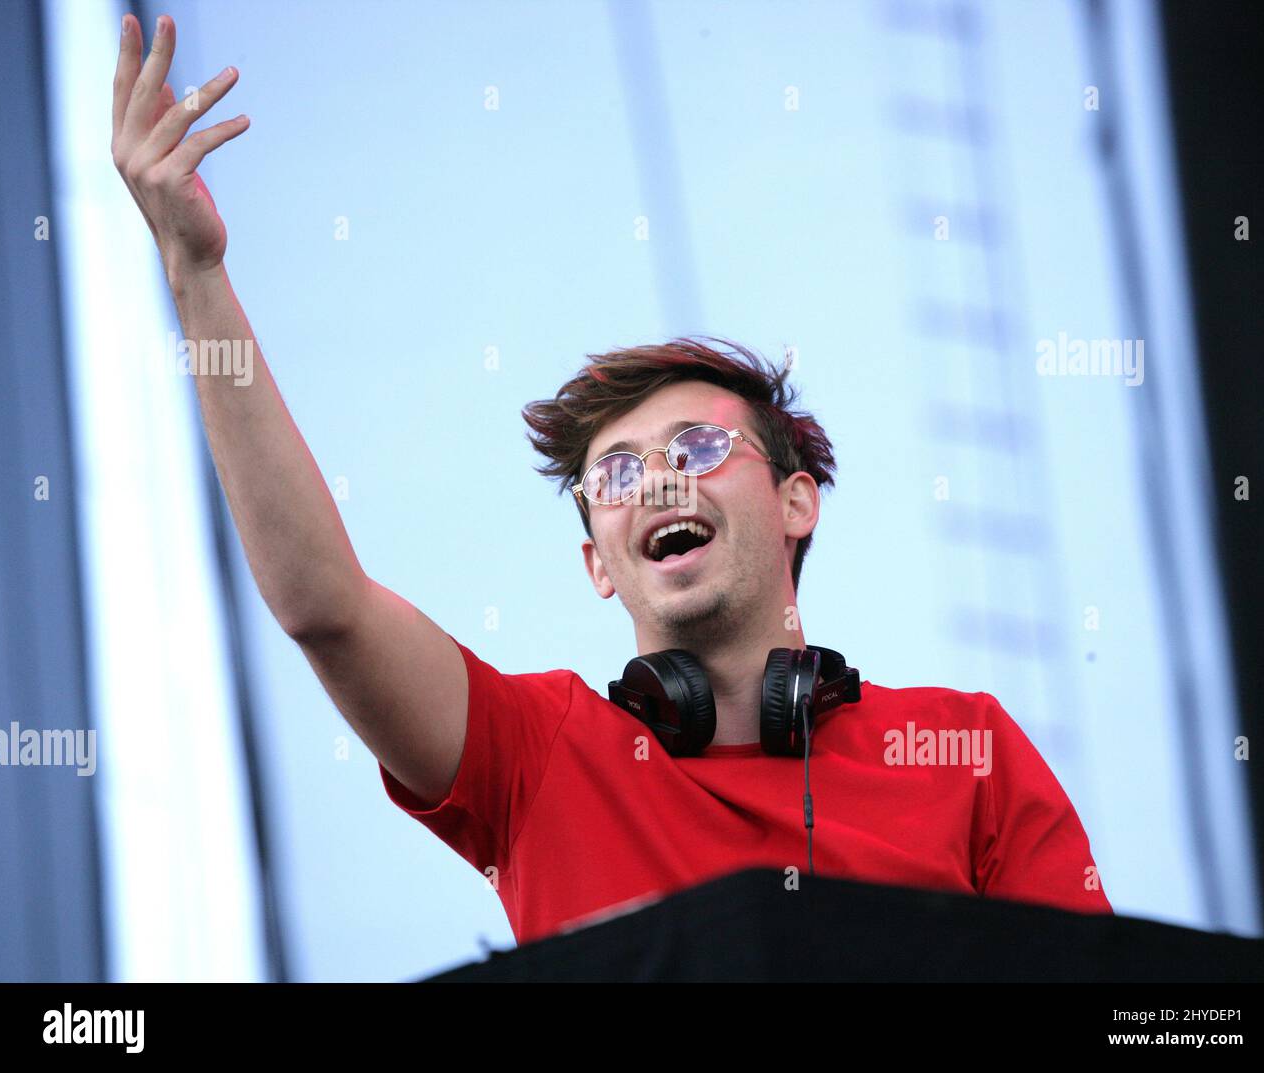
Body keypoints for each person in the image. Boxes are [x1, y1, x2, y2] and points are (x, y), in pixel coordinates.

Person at [111, 13, 1113, 948]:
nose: (660, 483)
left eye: (699, 449)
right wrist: (197, 276)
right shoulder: (534, 753)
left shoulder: (962, 746)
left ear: (796, 498)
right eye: (620, 472)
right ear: (597, 562)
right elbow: (322, 604)